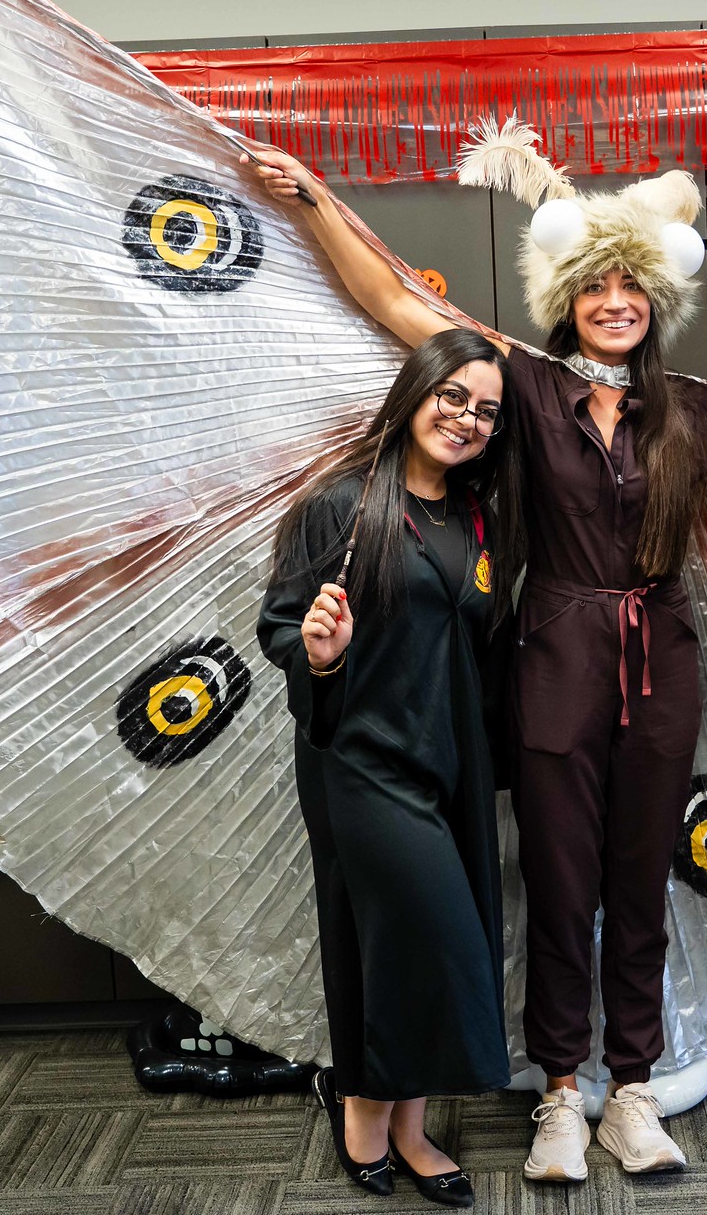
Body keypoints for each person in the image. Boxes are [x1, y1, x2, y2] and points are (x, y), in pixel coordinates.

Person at [247, 128, 707, 1183]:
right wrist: (314, 202)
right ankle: (561, 1094)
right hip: (554, 656)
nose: (615, 301)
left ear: (659, 299)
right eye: (597, 285)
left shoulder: (694, 411)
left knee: (640, 882)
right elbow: (392, 303)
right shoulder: (521, 388)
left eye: (633, 285)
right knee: (558, 881)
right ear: (567, 297)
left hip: (661, 659)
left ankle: (632, 1090)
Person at [259, 328, 525, 1207]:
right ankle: (365, 1110)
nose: (467, 418)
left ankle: (410, 1127)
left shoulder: (478, 517)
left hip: (452, 759)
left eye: (487, 410)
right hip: (363, 759)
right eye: (454, 396)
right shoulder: (343, 505)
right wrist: (320, 653)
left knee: (419, 946)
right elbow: (280, 624)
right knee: (427, 938)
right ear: (416, 392)